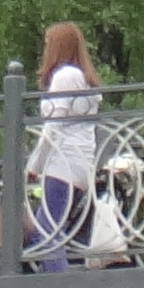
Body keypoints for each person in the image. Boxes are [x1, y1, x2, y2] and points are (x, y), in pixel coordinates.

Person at [28, 23, 99, 270]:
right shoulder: (82, 78)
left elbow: (54, 125)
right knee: (51, 230)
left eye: (48, 43)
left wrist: (34, 164)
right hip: (80, 164)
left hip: (62, 163)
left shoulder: (65, 76)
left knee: (47, 232)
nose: (45, 49)